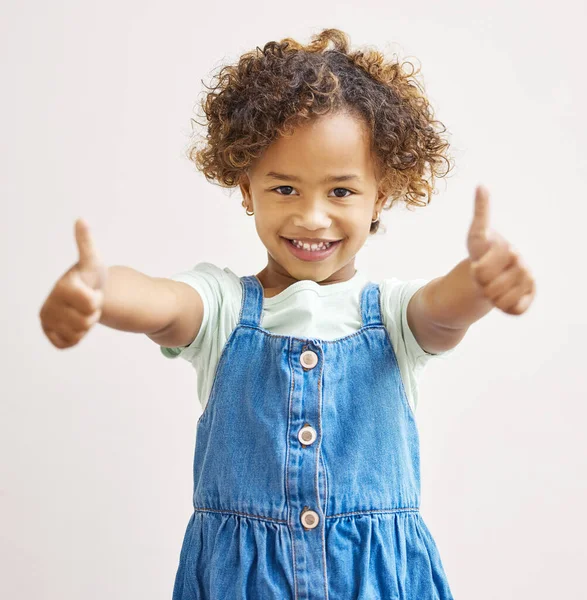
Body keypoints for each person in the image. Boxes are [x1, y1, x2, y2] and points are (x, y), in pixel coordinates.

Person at [39, 28, 536, 600]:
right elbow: (162, 303)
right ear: (245, 187)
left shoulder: (394, 316)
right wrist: (99, 289)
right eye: (284, 188)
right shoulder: (224, 308)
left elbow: (443, 311)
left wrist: (480, 281)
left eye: (342, 192)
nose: (313, 217)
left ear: (383, 195)